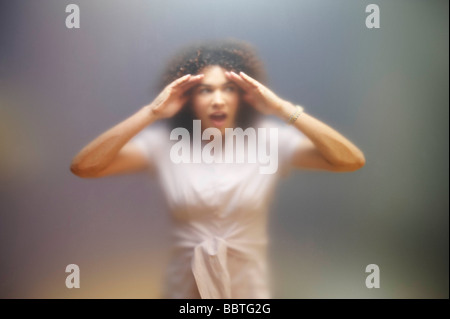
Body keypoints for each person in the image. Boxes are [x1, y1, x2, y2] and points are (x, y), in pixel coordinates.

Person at [70, 39, 365, 299]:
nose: (218, 100)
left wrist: (281, 108)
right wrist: (151, 113)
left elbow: (349, 160)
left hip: (248, 289)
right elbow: (85, 166)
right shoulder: (164, 144)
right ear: (187, 99)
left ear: (244, 95)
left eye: (229, 88)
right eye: (205, 90)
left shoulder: (269, 140)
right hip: (184, 289)